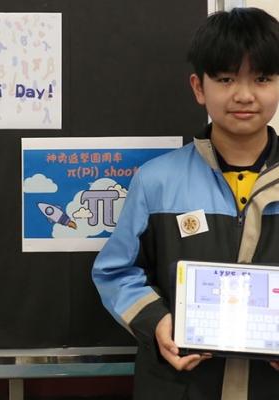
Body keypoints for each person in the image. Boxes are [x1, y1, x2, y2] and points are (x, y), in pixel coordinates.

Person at [92, 7, 279, 400]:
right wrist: (157, 322)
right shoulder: (156, 181)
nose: (244, 95)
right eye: (226, 79)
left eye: (262, 78)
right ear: (199, 87)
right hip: (180, 386)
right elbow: (116, 271)